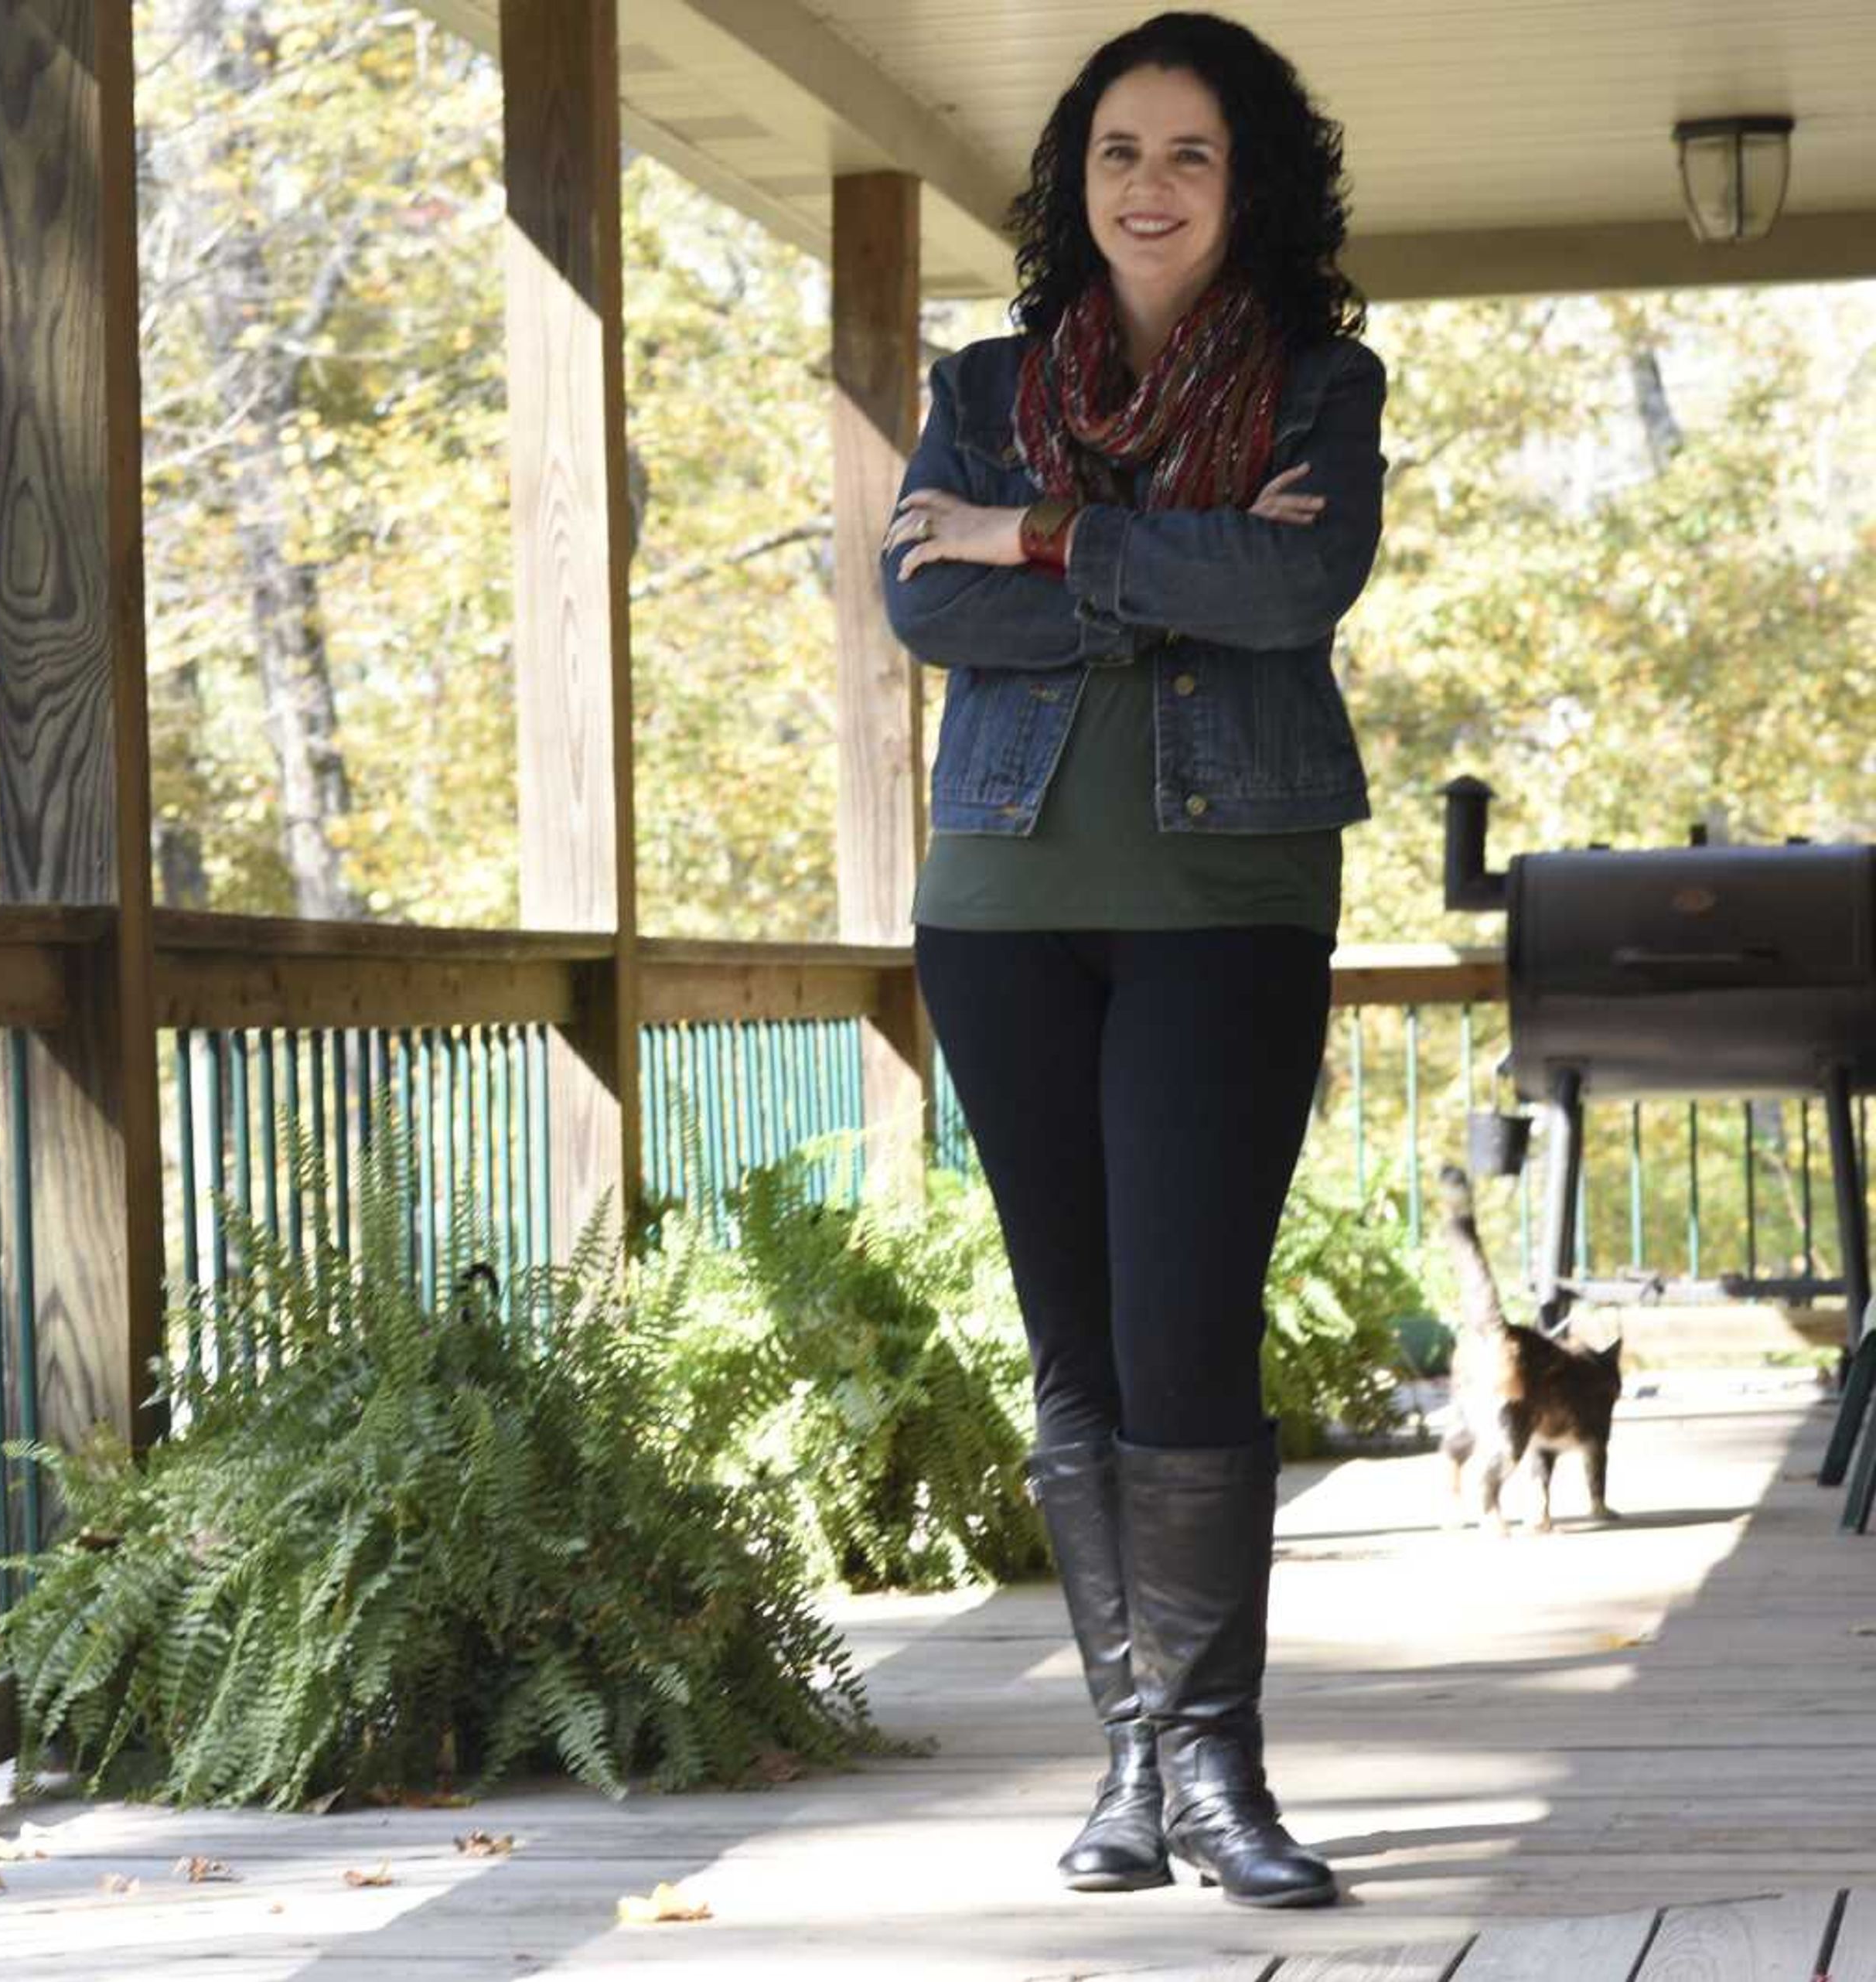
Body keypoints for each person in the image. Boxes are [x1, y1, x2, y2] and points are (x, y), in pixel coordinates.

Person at [878, 9, 1383, 1912]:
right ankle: (1132, 1766)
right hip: (998, 910)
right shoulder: (987, 380)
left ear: (1246, 184)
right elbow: (926, 598)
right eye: (1117, 152)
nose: (1148, 185)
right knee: (1076, 1343)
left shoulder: (1324, 387)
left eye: (1187, 153)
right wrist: (1143, 558)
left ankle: (1221, 1766)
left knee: (1188, 1334)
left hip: (1229, 908)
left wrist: (1041, 543)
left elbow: (1296, 589)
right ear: (1073, 183)